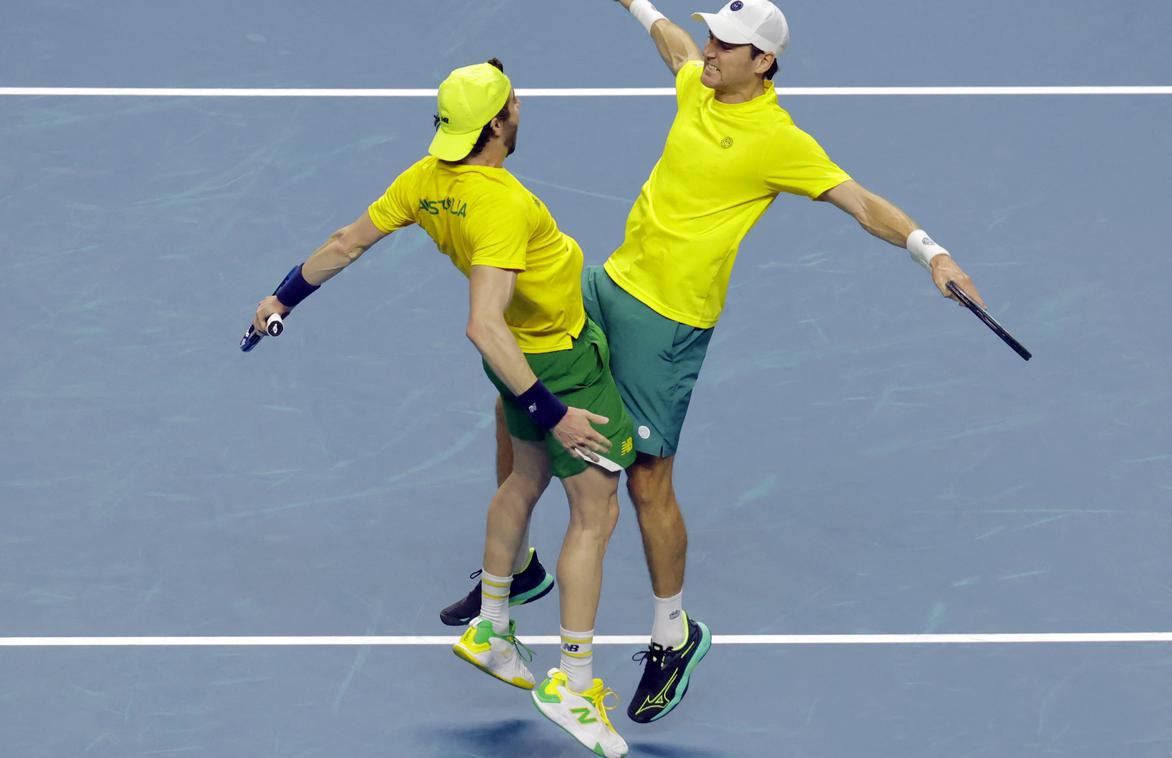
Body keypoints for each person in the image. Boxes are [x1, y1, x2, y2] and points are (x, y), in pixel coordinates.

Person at [441, 0, 990, 726]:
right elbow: (671, 46)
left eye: (728, 45)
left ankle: (673, 633)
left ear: (764, 61)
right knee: (518, 391)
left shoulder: (777, 140)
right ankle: (527, 567)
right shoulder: (697, 79)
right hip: (607, 284)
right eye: (712, 37)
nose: (710, 51)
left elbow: (859, 202)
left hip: (669, 324)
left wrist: (932, 253)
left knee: (644, 480)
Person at [250, 59, 634, 758]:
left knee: (521, 480)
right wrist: (556, 412)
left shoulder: (424, 181)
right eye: (512, 102)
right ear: (497, 124)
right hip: (555, 363)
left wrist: (282, 298)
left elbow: (345, 244)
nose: (519, 104)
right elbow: (483, 322)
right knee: (596, 512)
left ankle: (491, 628)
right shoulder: (502, 205)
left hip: (513, 361)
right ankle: (574, 683)